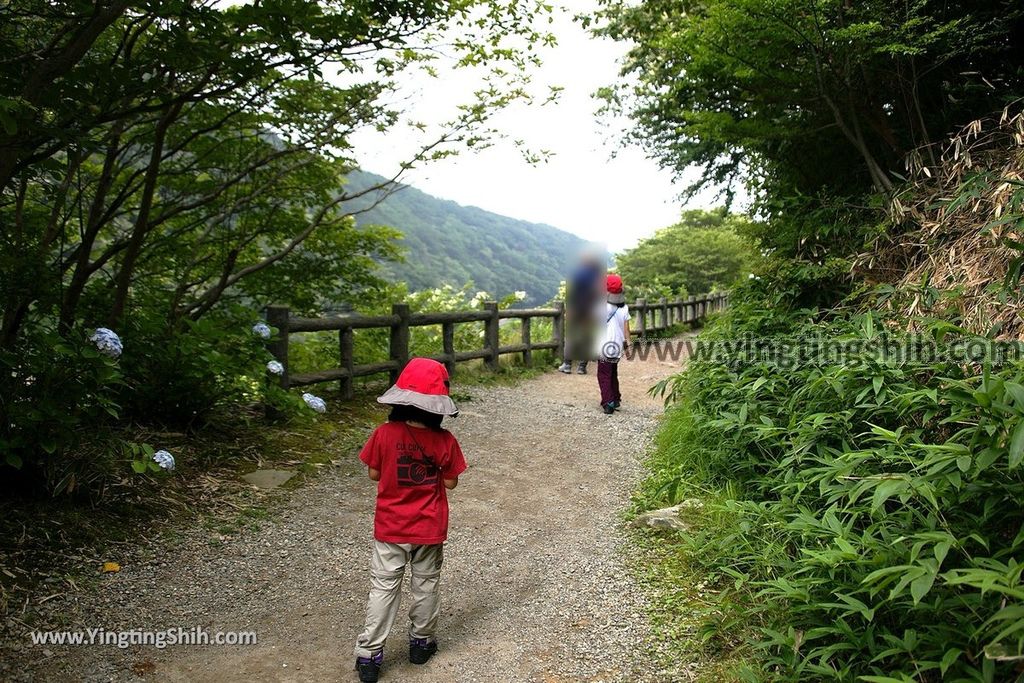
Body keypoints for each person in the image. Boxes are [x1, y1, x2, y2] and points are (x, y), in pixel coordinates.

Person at [354, 357, 467, 683]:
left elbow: (375, 473)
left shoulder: (384, 434)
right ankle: (421, 643)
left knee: (384, 587)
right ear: (437, 406)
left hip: (391, 528)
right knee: (425, 584)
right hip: (428, 528)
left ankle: (370, 655)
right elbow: (450, 482)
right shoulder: (445, 441)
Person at [596, 274, 631, 414]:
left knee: (604, 374)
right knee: (612, 372)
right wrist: (629, 346)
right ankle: (615, 399)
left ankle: (608, 402)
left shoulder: (602, 307)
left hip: (604, 346)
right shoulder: (624, 307)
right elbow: (627, 329)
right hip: (617, 346)